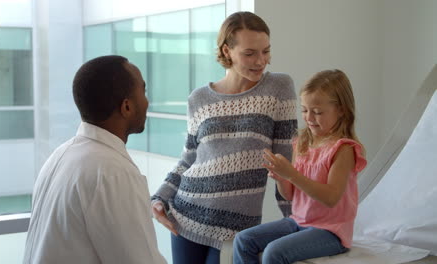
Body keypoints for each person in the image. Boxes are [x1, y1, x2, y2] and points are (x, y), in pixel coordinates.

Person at [151, 11, 297, 264]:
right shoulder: (199, 98)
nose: (261, 61)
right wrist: (159, 198)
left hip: (237, 228)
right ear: (227, 51)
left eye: (266, 51)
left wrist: (295, 222)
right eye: (249, 53)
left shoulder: (279, 88)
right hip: (186, 216)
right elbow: (188, 159)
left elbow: (284, 164)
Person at [23, 55, 166, 264]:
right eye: (143, 91)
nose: (147, 102)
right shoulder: (112, 173)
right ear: (126, 107)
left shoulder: (61, 156)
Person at [232, 69, 367, 264]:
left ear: (341, 110)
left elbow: (330, 198)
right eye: (304, 110)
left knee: (274, 252)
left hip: (331, 231)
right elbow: (291, 196)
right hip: (298, 221)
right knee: (243, 240)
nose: (309, 117)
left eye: (318, 112)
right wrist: (281, 178)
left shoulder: (343, 149)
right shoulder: (302, 142)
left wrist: (292, 174)